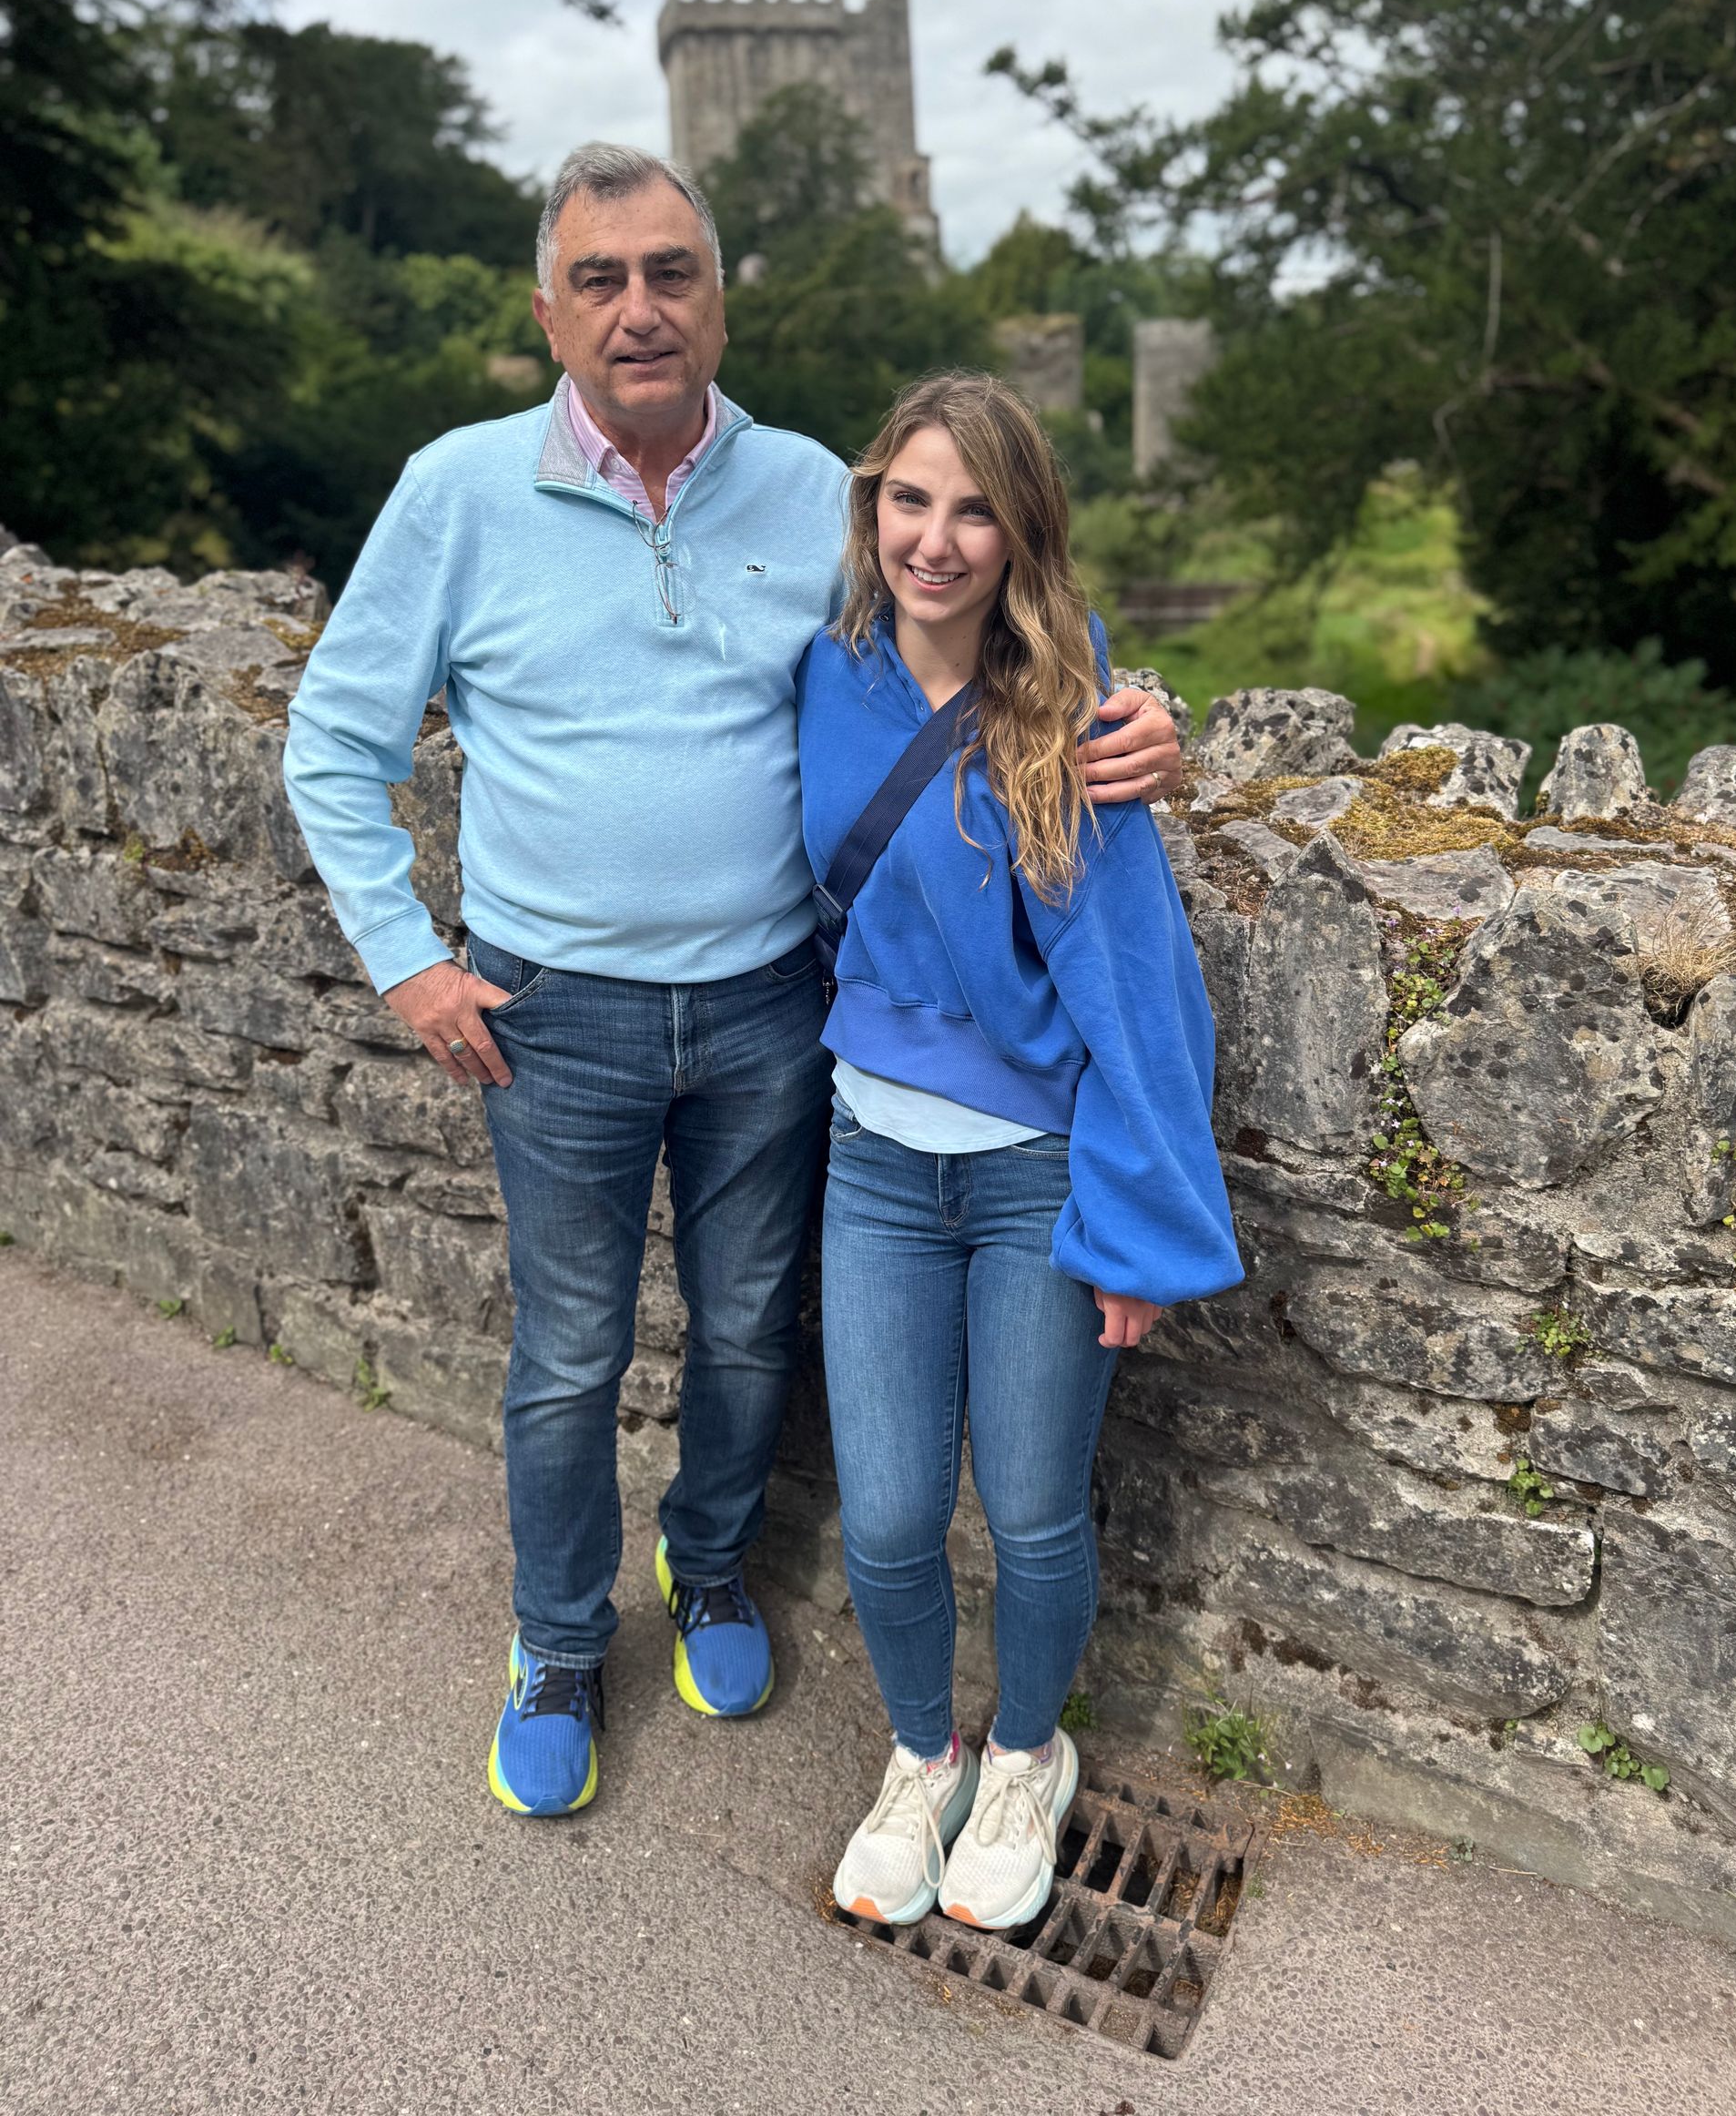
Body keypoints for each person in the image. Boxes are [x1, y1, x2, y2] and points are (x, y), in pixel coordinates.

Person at [281, 146, 1184, 1819]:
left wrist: (1137, 715)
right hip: (554, 1015)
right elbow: (331, 743)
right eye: (603, 279)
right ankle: (558, 1638)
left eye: (672, 273)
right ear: (550, 309)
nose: (642, 309)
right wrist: (408, 963)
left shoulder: (812, 494)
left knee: (751, 1334)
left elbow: (970, 635)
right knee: (565, 1352)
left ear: (718, 295)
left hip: (780, 1008)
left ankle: (707, 1567)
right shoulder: (459, 490)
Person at [797, 372, 1242, 1931]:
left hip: (1036, 1174)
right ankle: (926, 1755)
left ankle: (1029, 1758)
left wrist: (1141, 1230)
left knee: (1037, 1504)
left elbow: (1137, 983)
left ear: (1021, 533)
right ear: (872, 511)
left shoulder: (1078, 714)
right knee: (894, 1509)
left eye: (973, 508)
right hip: (870, 1164)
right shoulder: (829, 671)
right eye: (909, 500)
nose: (935, 539)